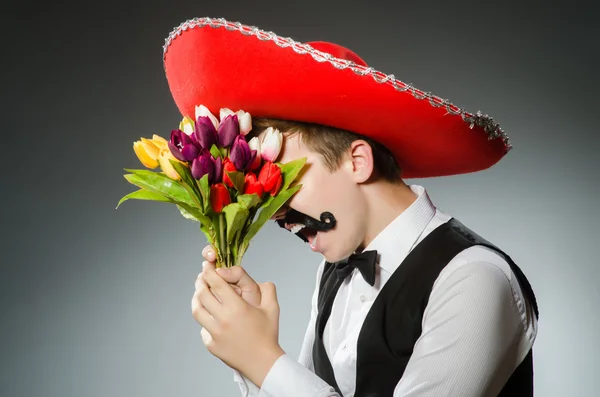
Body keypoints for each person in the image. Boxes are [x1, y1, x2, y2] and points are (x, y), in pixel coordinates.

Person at [163, 17, 539, 396]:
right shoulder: (334, 272)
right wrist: (249, 354)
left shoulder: (474, 279)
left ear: (357, 161)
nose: (275, 213)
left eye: (284, 181)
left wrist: (263, 359)